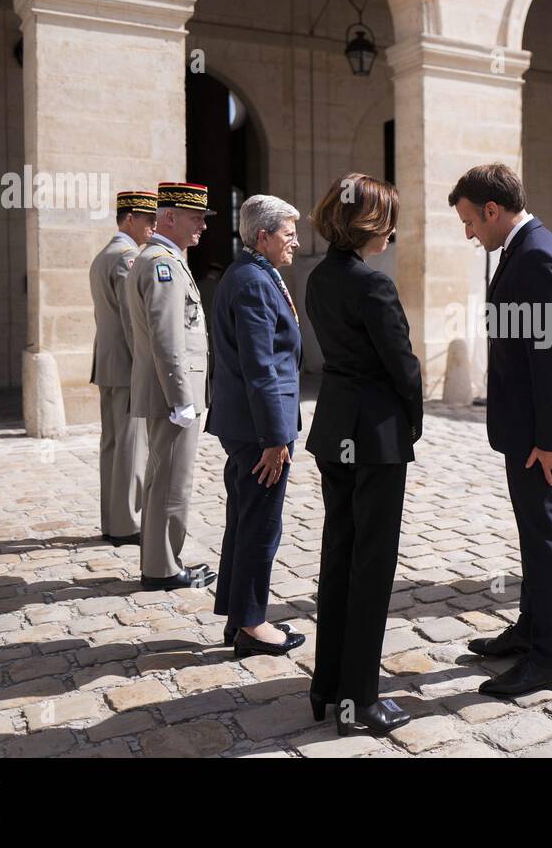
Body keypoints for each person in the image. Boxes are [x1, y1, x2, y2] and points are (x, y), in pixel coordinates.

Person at [451, 163, 552, 697]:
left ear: (493, 210)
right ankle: (531, 628)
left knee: (546, 539)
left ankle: (549, 657)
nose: (468, 234)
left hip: (539, 436)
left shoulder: (533, 256)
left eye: (469, 222)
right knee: (532, 536)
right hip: (526, 428)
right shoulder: (520, 249)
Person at [306, 173, 421, 736]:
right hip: (374, 438)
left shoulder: (319, 277)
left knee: (338, 556)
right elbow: (403, 366)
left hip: (334, 429)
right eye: (387, 222)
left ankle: (327, 685)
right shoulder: (372, 285)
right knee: (371, 568)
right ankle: (360, 700)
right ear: (368, 224)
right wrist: (413, 423)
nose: (393, 233)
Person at [205, 194, 307, 658]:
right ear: (262, 237)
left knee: (245, 520)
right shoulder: (252, 282)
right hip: (257, 429)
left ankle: (237, 616)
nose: (296, 243)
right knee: (261, 526)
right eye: (288, 235)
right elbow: (261, 367)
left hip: (246, 424)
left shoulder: (253, 272)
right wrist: (274, 438)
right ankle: (251, 625)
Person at [125, 182, 216, 591]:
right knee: (170, 482)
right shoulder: (161, 264)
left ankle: (163, 561)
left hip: (169, 390)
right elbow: (166, 338)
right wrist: (181, 397)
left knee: (166, 477)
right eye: (196, 217)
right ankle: (162, 569)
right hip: (172, 393)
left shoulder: (165, 259)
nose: (202, 226)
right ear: (170, 217)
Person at [89, 190, 156, 547]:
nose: (152, 228)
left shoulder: (104, 255)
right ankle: (127, 523)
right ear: (129, 218)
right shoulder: (127, 258)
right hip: (127, 365)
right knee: (130, 447)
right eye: (148, 221)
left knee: (113, 446)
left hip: (108, 363)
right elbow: (133, 322)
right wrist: (147, 367)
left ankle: (112, 519)